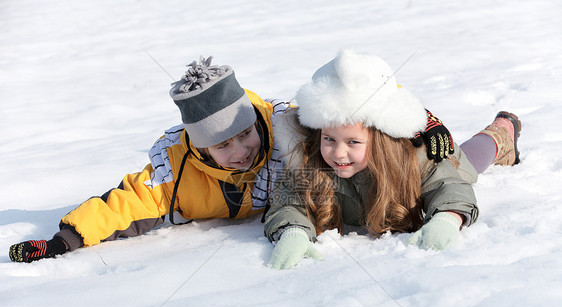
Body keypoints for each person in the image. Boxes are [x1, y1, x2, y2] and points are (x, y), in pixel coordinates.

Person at [7, 54, 455, 263]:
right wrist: (62, 241)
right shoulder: (174, 172)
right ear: (201, 148)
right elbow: (120, 204)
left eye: (245, 136)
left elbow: (359, 108)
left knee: (466, 160)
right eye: (223, 146)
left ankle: (500, 136)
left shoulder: (286, 124)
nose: (242, 151)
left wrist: (426, 123)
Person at [264, 49, 522, 270]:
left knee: (468, 165)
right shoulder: (309, 161)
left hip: (443, 159)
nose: (338, 153)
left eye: (353, 142)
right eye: (329, 139)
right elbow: (288, 201)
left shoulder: (416, 156)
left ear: (380, 139)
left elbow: (449, 187)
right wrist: (293, 231)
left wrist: (448, 218)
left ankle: (500, 133)